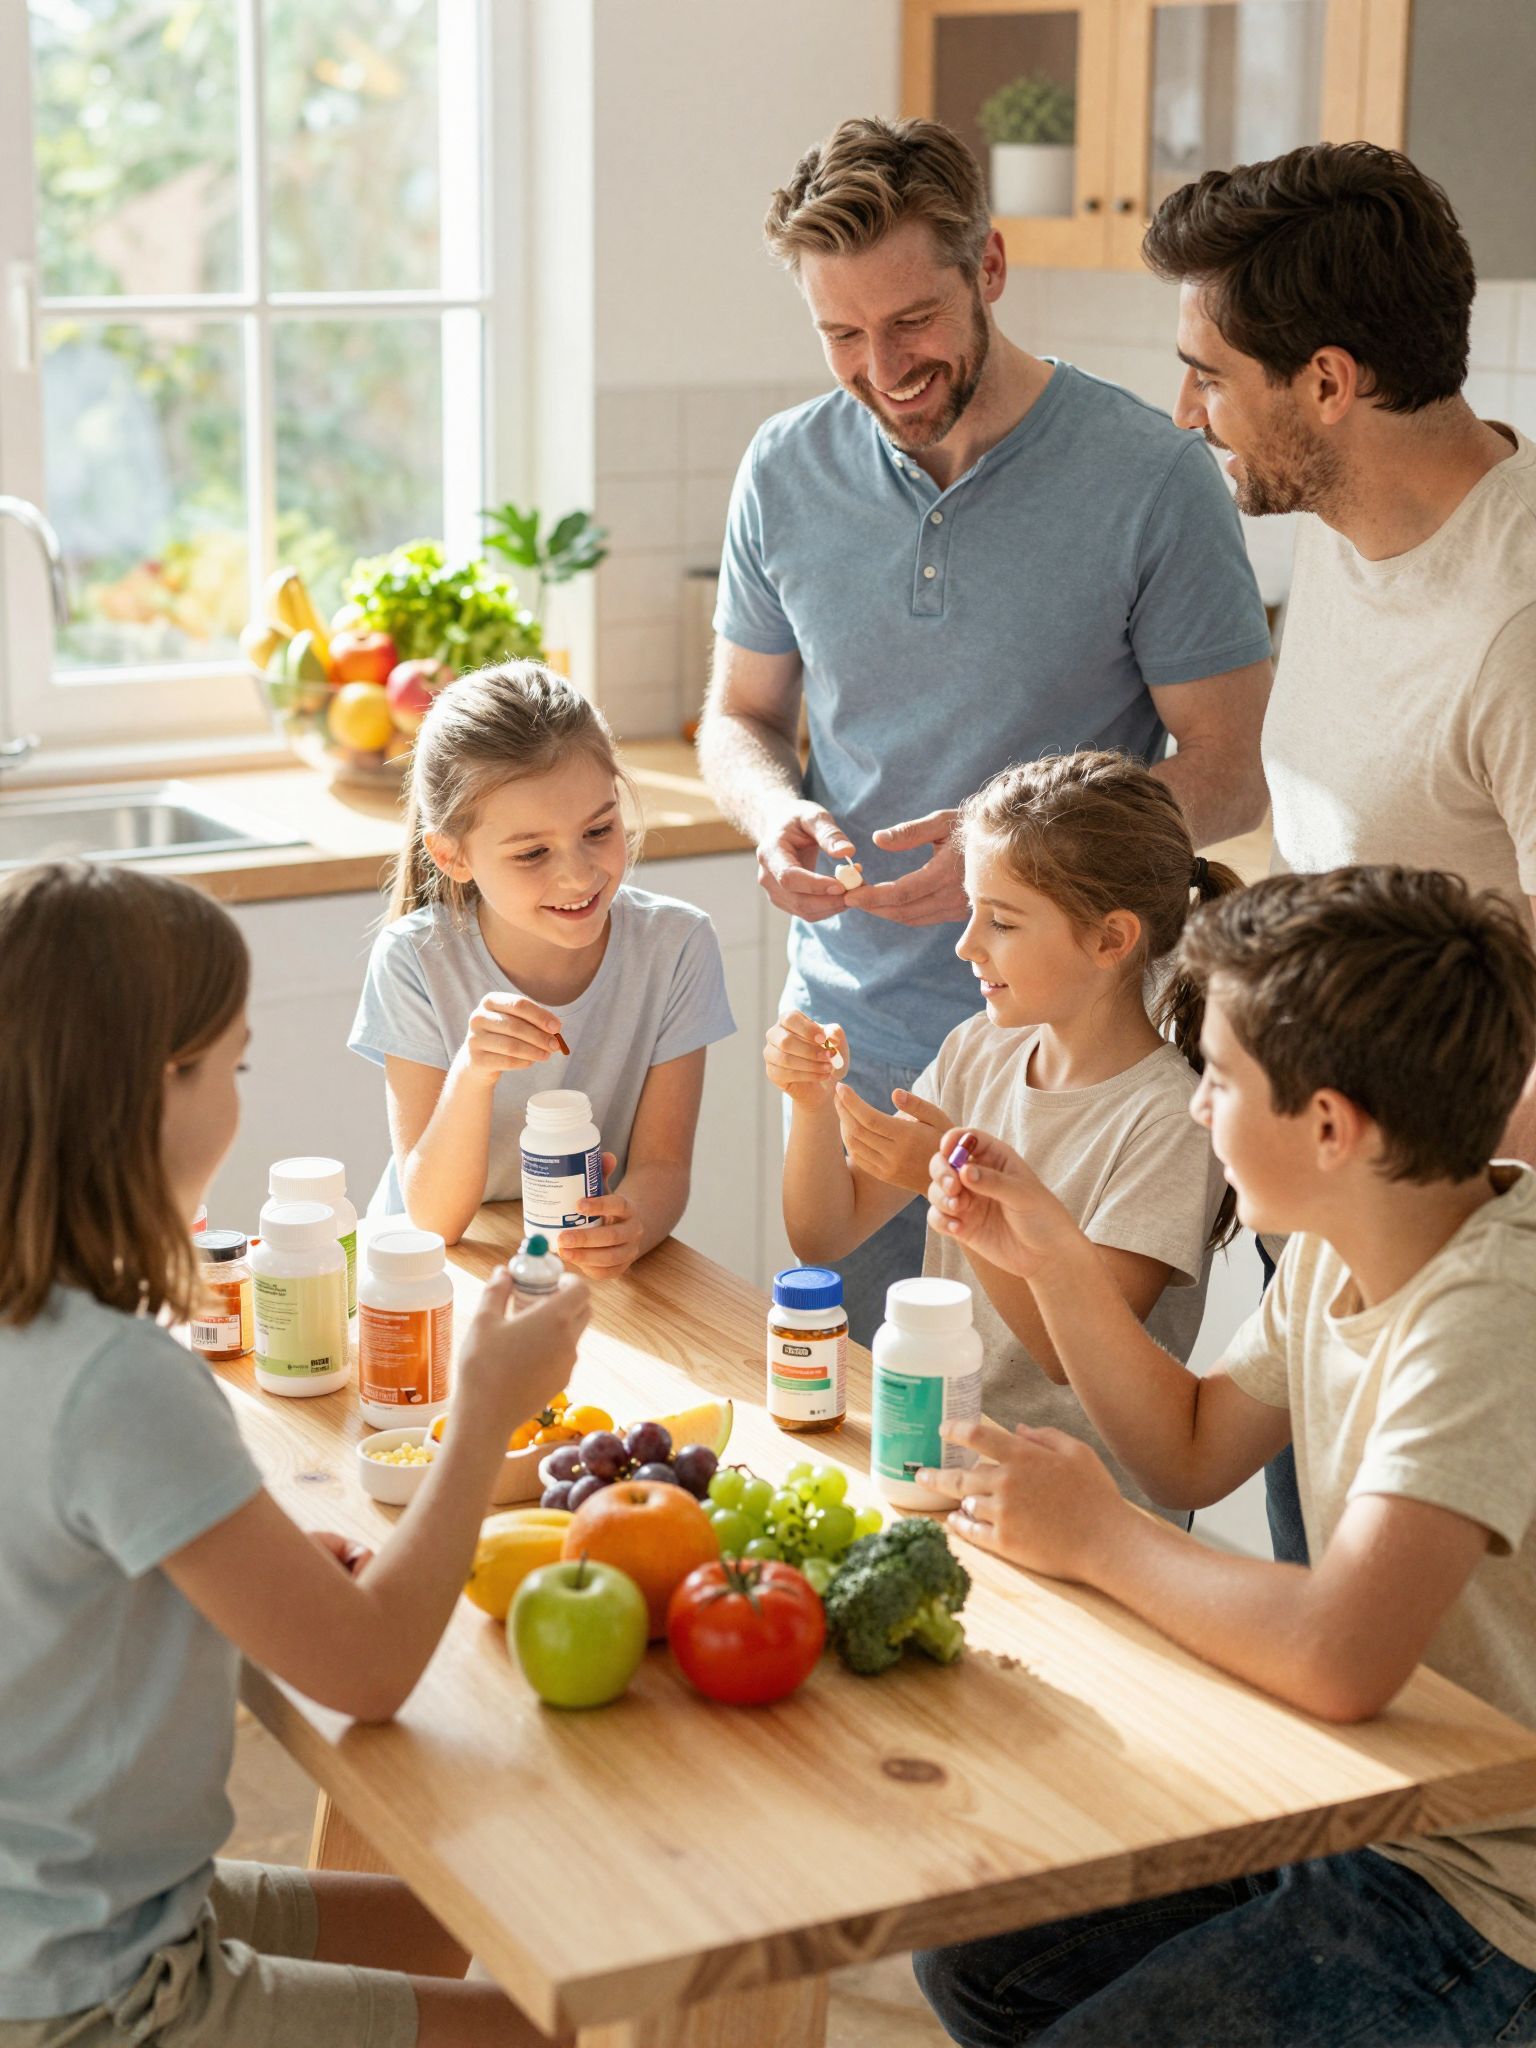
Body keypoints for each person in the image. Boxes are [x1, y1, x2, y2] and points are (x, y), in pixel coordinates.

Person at [910, 865, 1536, 2048]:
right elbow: (1191, 1449)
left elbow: (1341, 1653)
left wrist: (1098, 1533)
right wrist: (1054, 1256)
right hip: (1358, 1804)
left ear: (1332, 1126)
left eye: (1225, 1081)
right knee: (981, 1957)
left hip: (1490, 1891)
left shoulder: (1489, 1315)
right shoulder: (1342, 1235)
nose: (1201, 1107)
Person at [698, 114, 1274, 1342]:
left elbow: (1228, 773)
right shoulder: (784, 469)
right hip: (866, 1044)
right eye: (841, 335)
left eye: (911, 322)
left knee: (1086, 1444)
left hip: (1087, 1069)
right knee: (868, 1453)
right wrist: (775, 808)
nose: (881, 367)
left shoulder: (1151, 477)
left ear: (990, 269)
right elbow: (741, 717)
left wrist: (1019, 855)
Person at [0, 860, 590, 2046]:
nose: (237, 1099)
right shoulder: (121, 1378)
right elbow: (368, 1674)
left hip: (53, 1907)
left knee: (461, 1916)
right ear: (152, 1090)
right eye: (233, 1064)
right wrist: (481, 1412)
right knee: (554, 2030)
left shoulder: (40, 1330)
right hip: (92, 1990)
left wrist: (244, 1568)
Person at [1144, 141, 1536, 1564]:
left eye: (1210, 373)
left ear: (1326, 382)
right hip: (1329, 1223)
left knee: (1420, 1725)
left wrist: (1359, 1160)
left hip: (1465, 1281)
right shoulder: (1340, 526)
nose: (1188, 411)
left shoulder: (1517, 623)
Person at [764, 751, 1233, 1517]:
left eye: (1002, 921)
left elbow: (1065, 1356)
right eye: (973, 911)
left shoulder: (1168, 1121)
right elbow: (823, 1232)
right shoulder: (978, 1049)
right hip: (948, 1470)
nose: (966, 945)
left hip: (1094, 1512)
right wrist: (813, 1104)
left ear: (1112, 940)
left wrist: (944, 1186)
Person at [350, 661, 735, 1262]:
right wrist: (473, 1073)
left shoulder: (676, 946)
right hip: (435, 1271)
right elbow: (435, 1220)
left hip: (569, 1256)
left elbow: (662, 1167)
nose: (579, 874)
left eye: (599, 829)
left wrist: (634, 1224)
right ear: (452, 856)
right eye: (532, 853)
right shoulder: (415, 961)